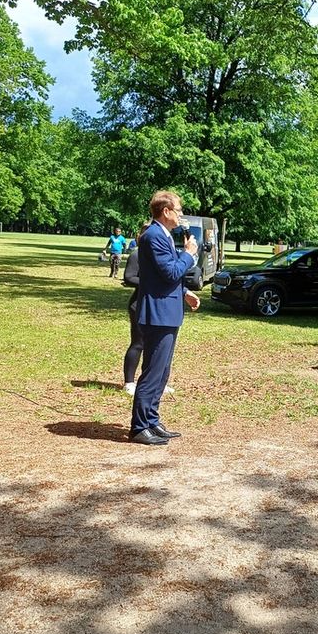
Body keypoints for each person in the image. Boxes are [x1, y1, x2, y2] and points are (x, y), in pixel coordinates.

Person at [129, 191, 199, 446]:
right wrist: (189, 254)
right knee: (153, 371)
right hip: (158, 314)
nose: (181, 215)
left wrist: (185, 292)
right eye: (178, 210)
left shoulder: (164, 235)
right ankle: (139, 427)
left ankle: (152, 420)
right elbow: (170, 272)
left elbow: (163, 276)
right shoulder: (154, 235)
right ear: (166, 211)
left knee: (162, 371)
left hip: (168, 312)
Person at [122, 225, 199, 396]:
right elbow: (128, 277)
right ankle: (129, 382)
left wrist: (184, 291)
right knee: (138, 343)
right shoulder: (136, 254)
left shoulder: (162, 255)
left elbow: (171, 275)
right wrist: (151, 283)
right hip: (140, 303)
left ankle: (159, 382)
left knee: (160, 349)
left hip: (159, 304)